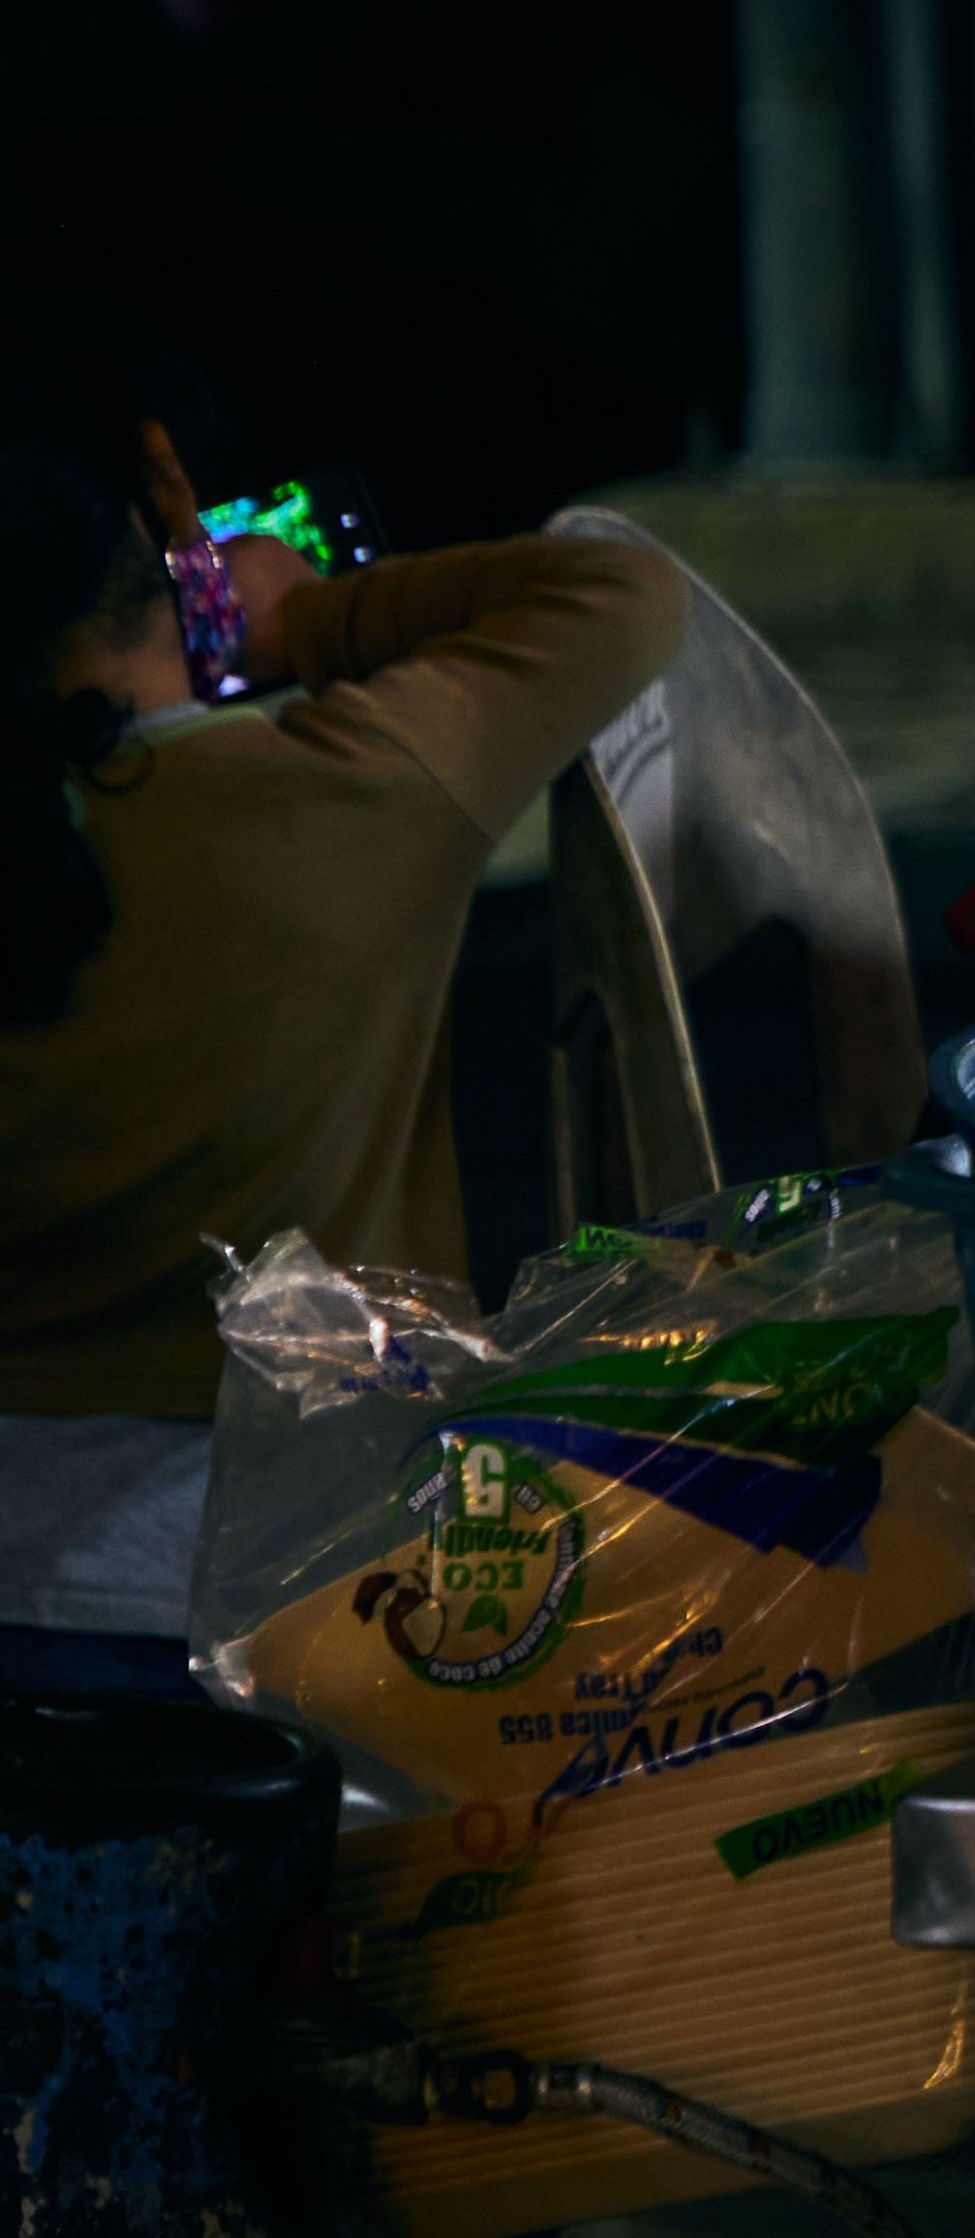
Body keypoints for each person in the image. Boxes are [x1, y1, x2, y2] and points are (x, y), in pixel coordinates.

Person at [0, 342, 684, 1682]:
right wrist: (285, 619)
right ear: (167, 512)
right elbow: (626, 593)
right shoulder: (357, 787)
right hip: (297, 1586)